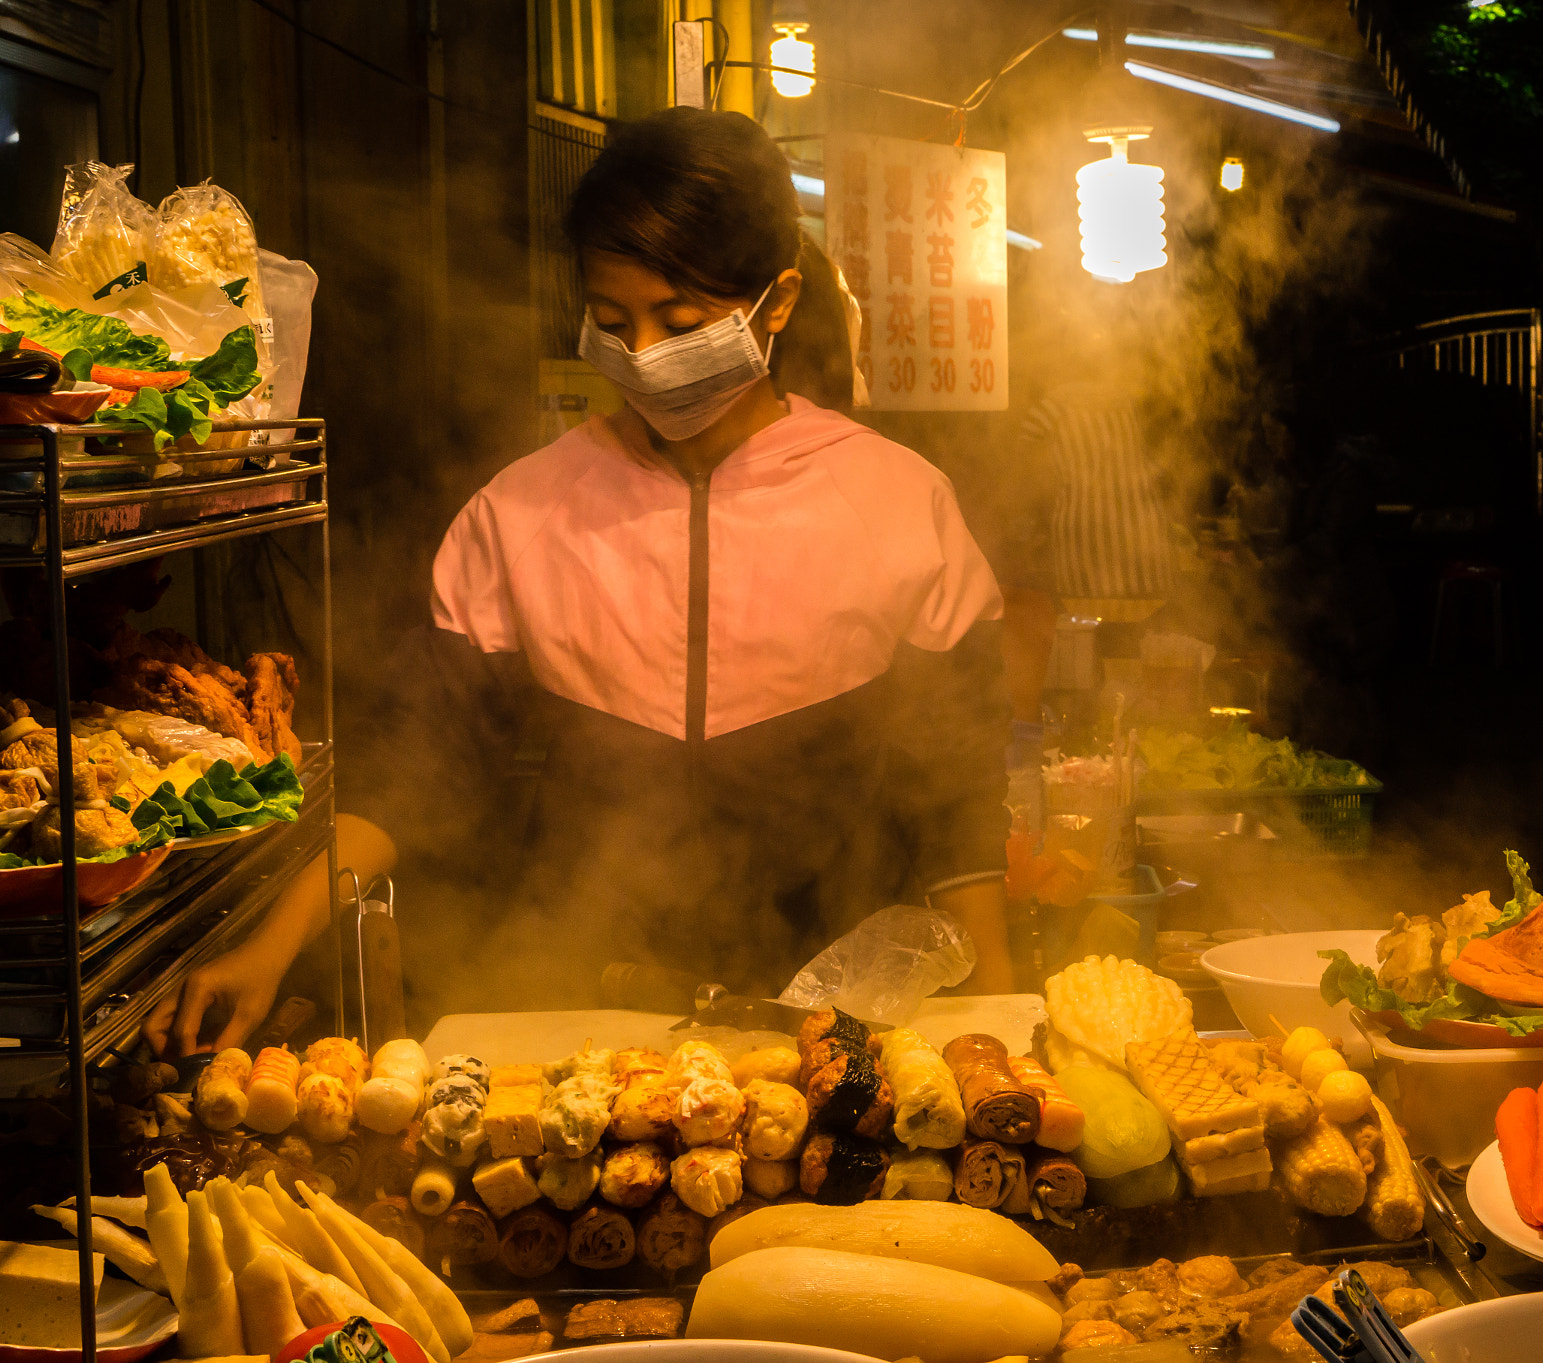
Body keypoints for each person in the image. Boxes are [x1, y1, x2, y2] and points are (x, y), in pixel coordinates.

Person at [146, 108, 1013, 1055]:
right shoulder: (521, 514)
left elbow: (955, 807)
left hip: (846, 1031)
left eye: (680, 323)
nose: (642, 355)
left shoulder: (900, 505)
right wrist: (269, 947)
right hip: (583, 1013)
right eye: (613, 322)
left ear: (781, 300)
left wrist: (999, 1027)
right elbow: (409, 768)